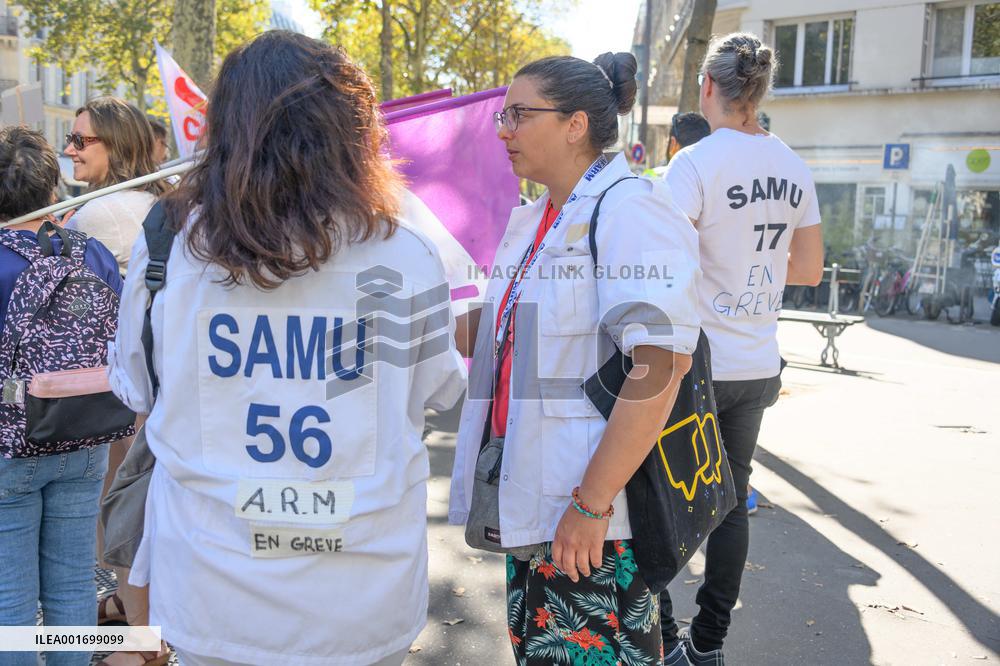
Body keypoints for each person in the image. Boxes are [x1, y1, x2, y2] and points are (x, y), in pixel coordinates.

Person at [107, 31, 466, 666]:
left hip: (211, 593)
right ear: (351, 132)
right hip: (361, 596)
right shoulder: (407, 253)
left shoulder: (168, 246)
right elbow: (438, 390)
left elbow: (136, 387)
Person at [449, 52, 702, 665]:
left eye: (518, 115)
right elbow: (531, 331)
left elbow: (662, 364)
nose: (502, 129)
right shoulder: (539, 218)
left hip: (590, 522)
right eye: (503, 116)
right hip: (537, 505)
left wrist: (592, 503)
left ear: (576, 124)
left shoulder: (629, 207)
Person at [660, 33, 824, 665]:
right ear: (759, 92)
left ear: (708, 86)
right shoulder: (793, 165)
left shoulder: (695, 164)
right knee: (730, 504)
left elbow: (660, 264)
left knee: (661, 499)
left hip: (692, 364)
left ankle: (666, 637)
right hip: (756, 361)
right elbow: (807, 268)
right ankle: (709, 646)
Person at [0, 127, 124, 666]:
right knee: (75, 584)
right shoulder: (92, 253)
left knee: (10, 599)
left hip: (12, 444)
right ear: (52, 189)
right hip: (87, 433)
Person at [64, 96, 170, 274]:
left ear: (115, 145)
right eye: (70, 139)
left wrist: (55, 239)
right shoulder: (150, 197)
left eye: (79, 141)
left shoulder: (98, 212)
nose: (68, 150)